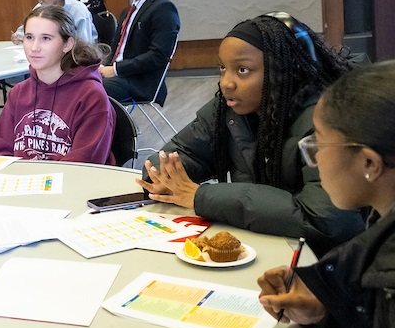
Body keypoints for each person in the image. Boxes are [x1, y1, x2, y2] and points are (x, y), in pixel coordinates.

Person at [173, 60, 395, 328]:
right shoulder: (380, 233)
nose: (312, 158)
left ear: (369, 162)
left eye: (319, 147)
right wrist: (326, 311)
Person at [138, 14, 364, 258]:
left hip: (326, 264)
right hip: (264, 244)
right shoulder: (228, 108)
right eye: (223, 68)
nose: (226, 83)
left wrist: (202, 197)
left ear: (283, 71)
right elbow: (184, 152)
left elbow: (324, 220)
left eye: (242, 70)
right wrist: (165, 178)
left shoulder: (326, 121)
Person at [0, 5, 115, 164]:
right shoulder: (18, 93)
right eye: (29, 37)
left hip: (71, 184)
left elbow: (85, 164)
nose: (34, 48)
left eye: (46, 38)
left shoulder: (91, 96)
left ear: (67, 44)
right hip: (23, 185)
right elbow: (0, 153)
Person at [100, 0, 180, 105]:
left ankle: (115, 128)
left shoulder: (163, 8)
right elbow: (115, 47)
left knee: (93, 91)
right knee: (78, 83)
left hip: (141, 81)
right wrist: (103, 67)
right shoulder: (128, 11)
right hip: (119, 75)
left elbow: (158, 56)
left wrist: (117, 69)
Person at [11, 0, 97, 46]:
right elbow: (24, 29)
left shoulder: (78, 10)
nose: (40, 1)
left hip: (78, 57)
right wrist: (18, 36)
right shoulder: (40, 8)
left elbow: (85, 45)